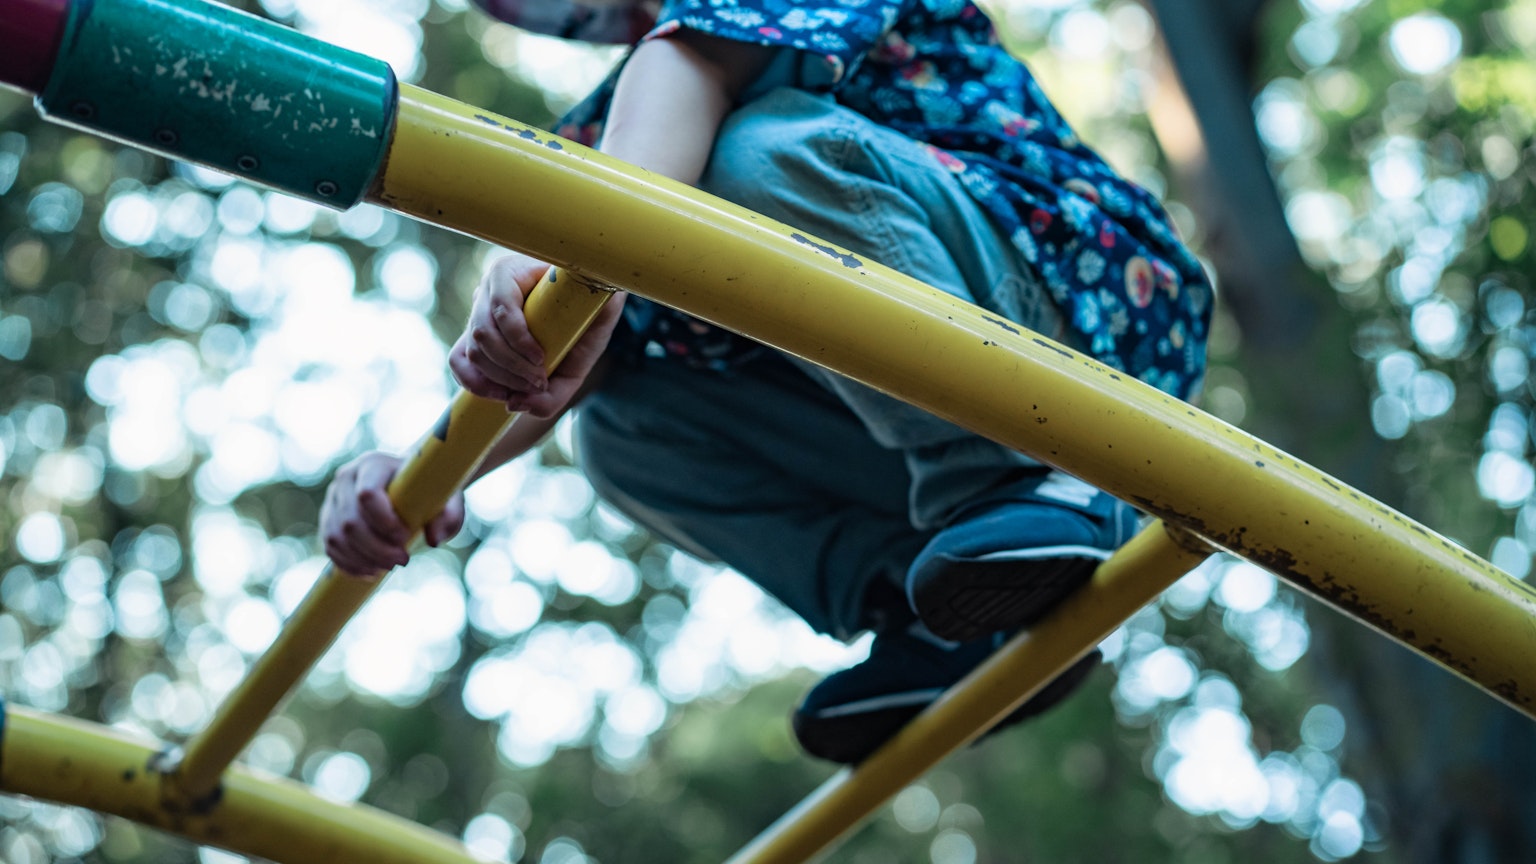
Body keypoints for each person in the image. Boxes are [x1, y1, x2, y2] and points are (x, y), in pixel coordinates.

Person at [321, 0, 1213, 764]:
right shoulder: (606, 135)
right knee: (624, 426)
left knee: (760, 152)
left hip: (1066, 325)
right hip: (916, 428)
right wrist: (419, 472)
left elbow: (692, 66)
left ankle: (1022, 478)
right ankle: (932, 610)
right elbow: (552, 367)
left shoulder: (689, 68)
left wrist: (564, 248)